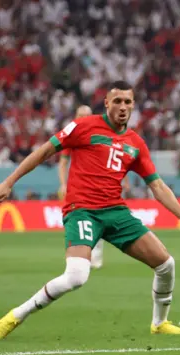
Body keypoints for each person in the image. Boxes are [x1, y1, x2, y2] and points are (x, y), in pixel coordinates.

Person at [0, 81, 180, 340]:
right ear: (106, 103)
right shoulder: (84, 126)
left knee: (166, 264)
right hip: (82, 211)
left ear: (134, 105)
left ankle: (159, 323)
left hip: (115, 211)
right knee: (76, 276)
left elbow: (157, 186)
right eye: (117, 101)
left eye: (128, 102)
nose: (123, 107)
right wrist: (9, 181)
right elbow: (45, 151)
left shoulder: (135, 143)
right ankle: (17, 315)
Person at [58, 105, 105, 269]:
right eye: (80, 115)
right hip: (79, 188)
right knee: (79, 219)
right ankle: (80, 255)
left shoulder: (100, 135)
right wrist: (63, 183)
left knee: (99, 218)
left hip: (100, 185)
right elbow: (63, 163)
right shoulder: (71, 137)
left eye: (86, 116)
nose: (83, 119)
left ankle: (95, 254)